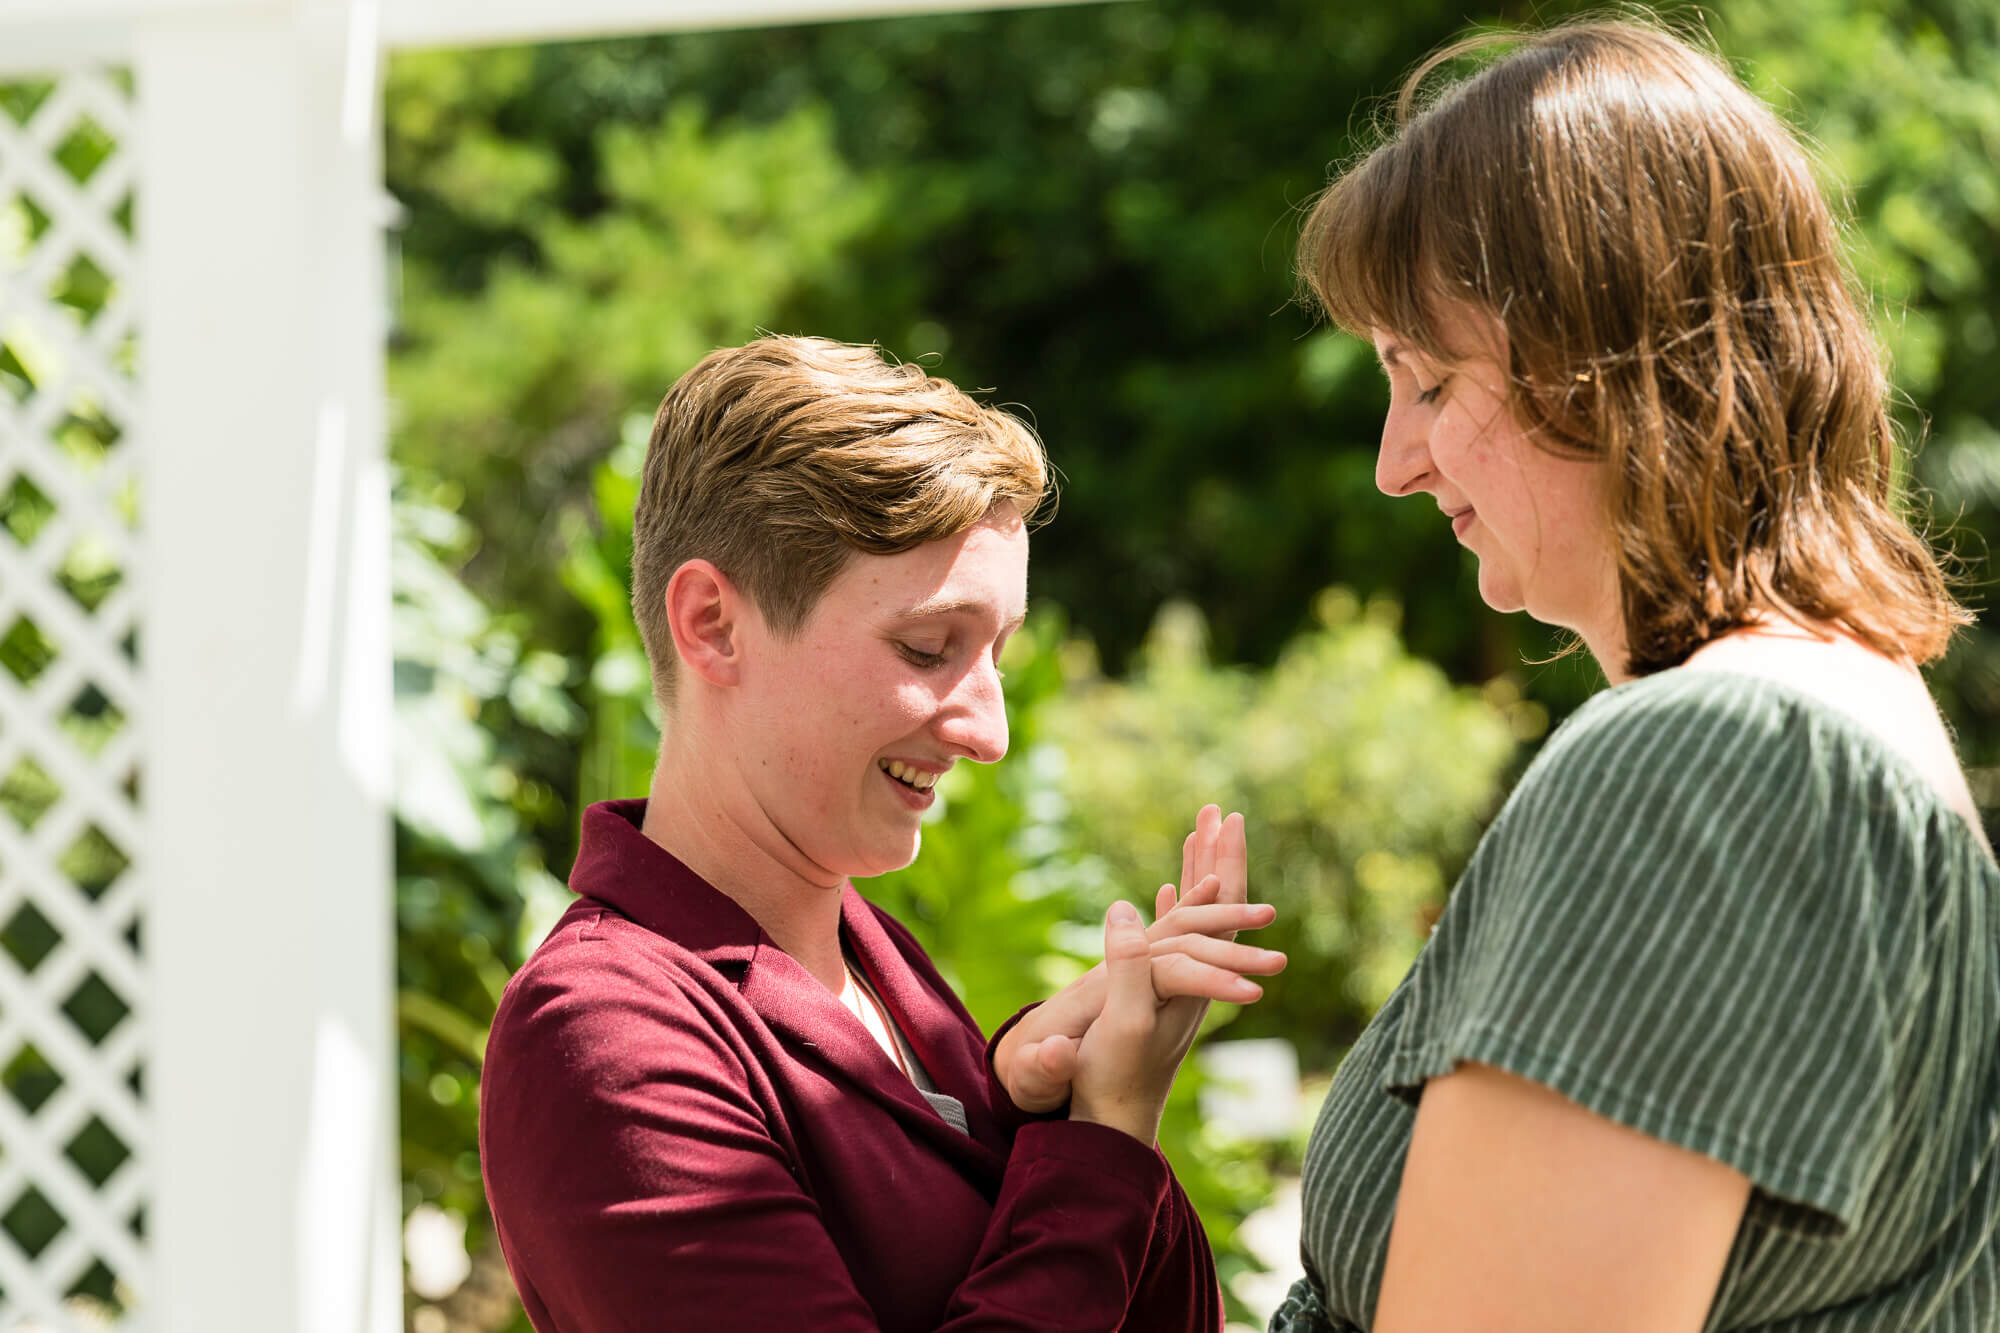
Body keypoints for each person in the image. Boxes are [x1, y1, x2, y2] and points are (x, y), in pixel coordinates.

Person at [1276, 18, 2000, 1333]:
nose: (1395, 461)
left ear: (1604, 363)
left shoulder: (1721, 763)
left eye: (1429, 379)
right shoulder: (1831, 720)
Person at [479, 335, 1286, 1332]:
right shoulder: (604, 1035)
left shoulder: (871, 960)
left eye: (994, 651)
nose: (988, 732)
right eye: (926, 647)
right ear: (711, 624)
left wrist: (1031, 1113)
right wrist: (1102, 1147)